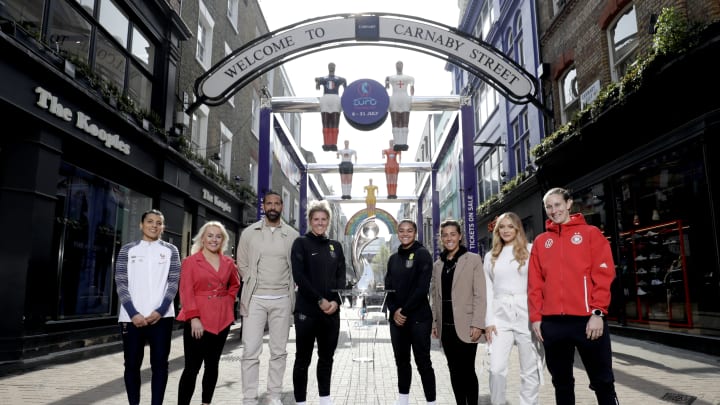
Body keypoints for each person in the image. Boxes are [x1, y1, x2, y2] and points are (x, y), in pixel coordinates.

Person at [528, 187, 619, 404]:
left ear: (568, 204)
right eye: (548, 207)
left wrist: (598, 313)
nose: (553, 210)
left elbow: (604, 274)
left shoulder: (590, 234)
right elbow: (534, 283)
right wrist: (536, 318)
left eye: (557, 204)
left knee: (603, 381)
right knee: (562, 384)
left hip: (588, 321)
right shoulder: (541, 242)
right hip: (553, 324)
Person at [237, 191, 299, 405]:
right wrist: (251, 280)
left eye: (276, 203)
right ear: (263, 206)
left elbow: (296, 267)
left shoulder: (292, 235)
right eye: (269, 203)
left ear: (282, 207)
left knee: (279, 352)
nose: (272, 206)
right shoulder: (249, 233)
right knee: (250, 351)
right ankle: (249, 397)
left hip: (282, 297)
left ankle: (274, 395)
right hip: (255, 298)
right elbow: (242, 263)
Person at [115, 208, 180, 405]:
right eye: (150, 221)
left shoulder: (171, 250)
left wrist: (160, 311)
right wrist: (133, 313)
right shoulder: (128, 250)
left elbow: (173, 282)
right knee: (132, 365)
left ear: (163, 227)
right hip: (131, 318)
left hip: (162, 318)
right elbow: (121, 281)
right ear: (141, 225)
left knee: (160, 365)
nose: (154, 225)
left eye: (158, 223)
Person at [177, 221, 241, 405]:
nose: (214, 239)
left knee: (212, 365)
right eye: (210, 235)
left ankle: (206, 403)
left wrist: (228, 302)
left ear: (223, 240)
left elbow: (235, 284)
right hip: (198, 319)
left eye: (218, 236)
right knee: (191, 367)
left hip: (221, 319)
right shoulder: (190, 261)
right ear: (203, 238)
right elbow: (186, 290)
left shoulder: (228, 263)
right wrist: (194, 317)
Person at [291, 200, 346, 405]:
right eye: (316, 219)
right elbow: (299, 277)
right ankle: (301, 402)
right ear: (310, 221)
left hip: (332, 312)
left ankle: (325, 400)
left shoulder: (336, 246)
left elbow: (341, 276)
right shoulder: (301, 243)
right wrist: (320, 300)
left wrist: (336, 301)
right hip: (307, 311)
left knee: (326, 359)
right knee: (302, 360)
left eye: (324, 219)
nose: (320, 223)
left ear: (328, 222)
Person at [484, 212, 542, 405]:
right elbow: (488, 290)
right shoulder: (490, 256)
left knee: (529, 367)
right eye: (502, 227)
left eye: (510, 226)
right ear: (497, 230)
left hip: (526, 313)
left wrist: (539, 317)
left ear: (518, 228)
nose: (506, 230)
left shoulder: (531, 250)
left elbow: (539, 285)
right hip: (500, 317)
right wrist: (488, 321)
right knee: (496, 368)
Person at [431, 219, 487, 405]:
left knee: (467, 371)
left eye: (452, 234)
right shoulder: (438, 264)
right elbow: (435, 297)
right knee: (453, 370)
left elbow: (480, 294)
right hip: (445, 327)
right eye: (445, 235)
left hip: (467, 325)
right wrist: (435, 323)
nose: (449, 238)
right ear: (441, 238)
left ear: (460, 236)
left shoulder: (473, 259)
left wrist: (478, 323)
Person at [385, 219, 437, 405]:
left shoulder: (423, 254)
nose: (405, 234)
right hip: (397, 321)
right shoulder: (393, 259)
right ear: (397, 233)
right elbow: (388, 290)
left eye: (409, 230)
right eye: (401, 230)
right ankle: (403, 401)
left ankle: (431, 402)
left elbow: (422, 289)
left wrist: (403, 311)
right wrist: (393, 311)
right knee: (401, 362)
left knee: (423, 362)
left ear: (415, 233)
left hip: (418, 319)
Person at [316, 62, 347, 151]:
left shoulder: (338, 78)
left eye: (333, 66)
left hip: (335, 98)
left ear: (335, 67)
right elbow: (318, 80)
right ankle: (326, 143)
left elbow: (344, 81)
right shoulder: (324, 78)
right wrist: (317, 82)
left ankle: (333, 143)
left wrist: (346, 89)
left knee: (335, 122)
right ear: (328, 67)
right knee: (325, 122)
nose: (331, 67)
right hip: (326, 98)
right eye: (330, 66)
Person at [385, 60, 414, 151]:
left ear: (403, 66)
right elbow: (386, 87)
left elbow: (412, 88)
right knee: (395, 122)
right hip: (395, 99)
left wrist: (412, 96)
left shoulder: (408, 77)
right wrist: (386, 82)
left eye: (400, 64)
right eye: (397, 64)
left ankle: (404, 143)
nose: (399, 66)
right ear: (395, 66)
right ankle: (397, 143)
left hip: (405, 99)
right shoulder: (391, 77)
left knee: (405, 122)